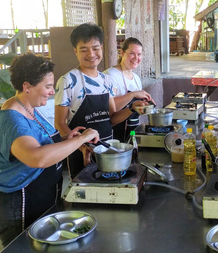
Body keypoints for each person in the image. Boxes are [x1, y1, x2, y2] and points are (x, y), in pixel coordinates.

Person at [0, 53, 99, 249]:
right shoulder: (13, 119)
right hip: (22, 206)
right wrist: (82, 138)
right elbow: (37, 157)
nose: (51, 92)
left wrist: (68, 141)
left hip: (43, 198)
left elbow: (42, 142)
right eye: (47, 87)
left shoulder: (29, 108)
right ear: (27, 86)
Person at [55, 23, 146, 179]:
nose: (91, 54)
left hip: (107, 150)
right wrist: (81, 145)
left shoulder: (107, 80)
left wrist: (132, 108)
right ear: (75, 51)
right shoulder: (68, 81)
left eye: (95, 48)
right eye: (84, 49)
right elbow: (60, 124)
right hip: (81, 153)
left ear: (102, 49)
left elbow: (111, 118)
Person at [104, 37, 155, 142]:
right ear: (122, 53)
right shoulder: (111, 75)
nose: (136, 58)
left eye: (139, 54)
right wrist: (133, 94)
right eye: (132, 53)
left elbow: (133, 108)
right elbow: (110, 109)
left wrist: (144, 105)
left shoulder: (136, 78)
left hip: (131, 132)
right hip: (113, 134)